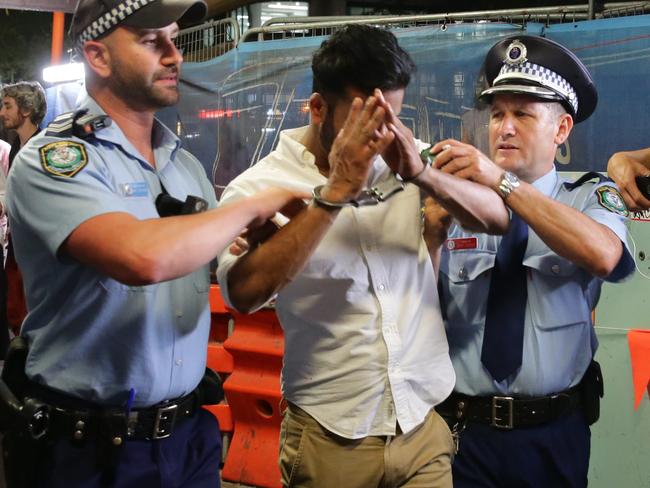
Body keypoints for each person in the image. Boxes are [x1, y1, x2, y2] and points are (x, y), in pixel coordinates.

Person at [1, 1, 305, 486]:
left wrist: (302, 229)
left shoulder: (183, 167)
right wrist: (247, 208)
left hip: (187, 438)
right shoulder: (58, 158)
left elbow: (240, 293)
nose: (174, 55)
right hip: (89, 450)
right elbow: (139, 256)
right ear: (98, 57)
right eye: (150, 41)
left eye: (173, 38)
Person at [217, 25, 510, 488]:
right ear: (318, 109)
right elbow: (242, 295)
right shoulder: (258, 188)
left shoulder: (409, 161)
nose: (384, 135)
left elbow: (496, 218)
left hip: (421, 429)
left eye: (392, 117)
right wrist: (334, 194)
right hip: (332, 435)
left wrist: (421, 174)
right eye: (369, 120)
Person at [431, 35, 635, 487]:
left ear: (561, 130)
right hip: (463, 433)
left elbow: (606, 256)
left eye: (522, 114)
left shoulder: (588, 194)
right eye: (498, 113)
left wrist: (503, 185)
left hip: (553, 434)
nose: (504, 127)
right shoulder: (457, 202)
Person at [0, 81, 47, 336]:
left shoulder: (44, 148)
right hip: (19, 247)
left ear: (26, 110)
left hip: (36, 252)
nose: (2, 112)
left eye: (7, 106)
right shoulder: (18, 147)